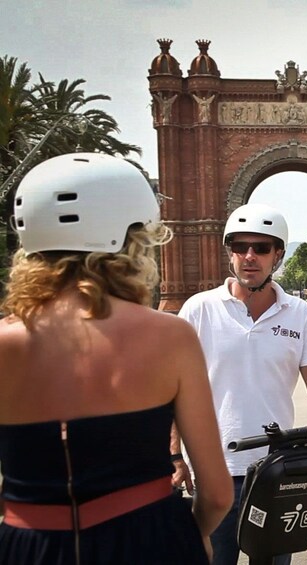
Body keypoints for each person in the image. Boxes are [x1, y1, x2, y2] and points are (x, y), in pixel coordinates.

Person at [0, 153, 232, 563]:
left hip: (27, 546)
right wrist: (185, 535)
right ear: (130, 240)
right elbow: (215, 494)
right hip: (150, 538)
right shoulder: (170, 336)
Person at [173, 202, 307, 565]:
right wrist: (174, 455)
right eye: (240, 246)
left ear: (278, 254)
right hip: (214, 470)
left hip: (276, 470)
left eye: (260, 248)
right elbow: (173, 389)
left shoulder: (298, 312)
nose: (249, 256)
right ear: (229, 252)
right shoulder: (200, 309)